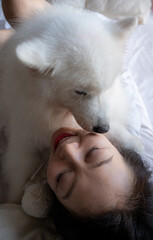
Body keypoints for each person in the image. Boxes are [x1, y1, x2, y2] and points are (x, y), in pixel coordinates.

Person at [1, 1, 153, 240]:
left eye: (63, 178)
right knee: (19, 10)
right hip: (77, 34)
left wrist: (13, 200)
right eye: (93, 153)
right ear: (118, 149)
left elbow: (20, 151)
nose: (68, 149)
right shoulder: (129, 126)